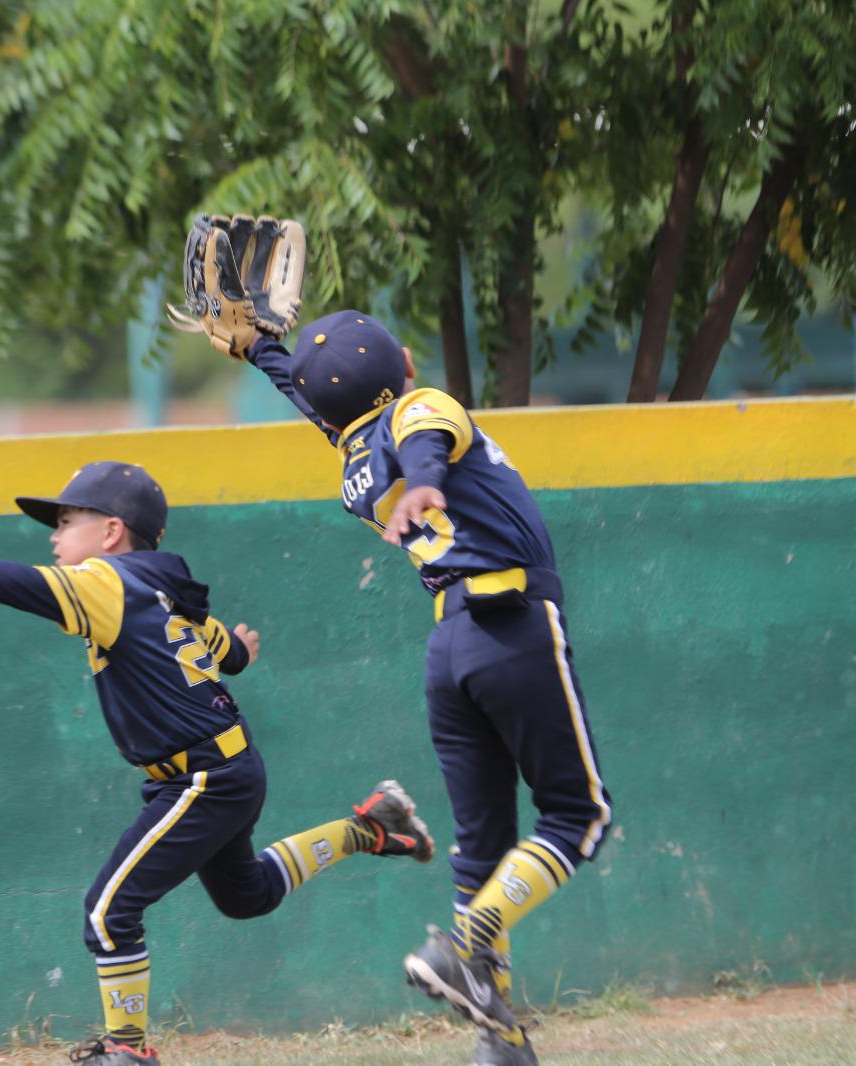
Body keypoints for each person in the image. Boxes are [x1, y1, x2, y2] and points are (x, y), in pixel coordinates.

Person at [0, 460, 435, 1065]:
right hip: (220, 771)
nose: (53, 536)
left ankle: (126, 1052)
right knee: (247, 895)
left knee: (108, 912)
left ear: (109, 533)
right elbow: (223, 650)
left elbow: (17, 584)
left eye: (66, 521)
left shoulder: (105, 582)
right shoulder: (156, 591)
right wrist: (239, 650)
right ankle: (370, 827)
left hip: (205, 777)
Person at [242, 312, 614, 1066]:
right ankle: (464, 944)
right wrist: (428, 483)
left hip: (450, 647)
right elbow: (424, 437)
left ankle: (498, 1042)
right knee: (579, 818)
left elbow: (326, 406)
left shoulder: (351, 452)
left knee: (483, 851)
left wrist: (260, 349)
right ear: (405, 364)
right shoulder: (417, 410)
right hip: (510, 625)